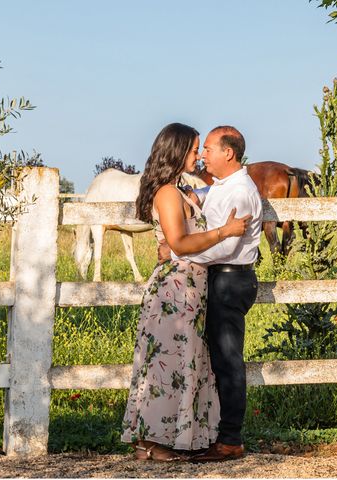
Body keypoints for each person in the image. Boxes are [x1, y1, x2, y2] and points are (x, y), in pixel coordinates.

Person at [121, 123, 253, 462]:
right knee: (165, 364)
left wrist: (195, 203)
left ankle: (176, 436)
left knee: (183, 364)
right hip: (176, 287)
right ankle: (149, 443)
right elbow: (179, 242)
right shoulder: (167, 192)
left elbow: (182, 236)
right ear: (178, 151)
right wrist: (224, 231)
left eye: (203, 149)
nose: (199, 155)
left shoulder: (181, 190)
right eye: (195, 149)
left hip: (191, 285)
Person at [163, 126, 263, 462]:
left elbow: (227, 245)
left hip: (230, 279)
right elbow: (206, 209)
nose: (203, 154)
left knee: (228, 359)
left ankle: (231, 439)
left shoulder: (239, 192)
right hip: (223, 278)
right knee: (218, 358)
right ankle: (218, 432)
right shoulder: (223, 186)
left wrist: (176, 253)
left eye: (207, 148)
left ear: (228, 153)